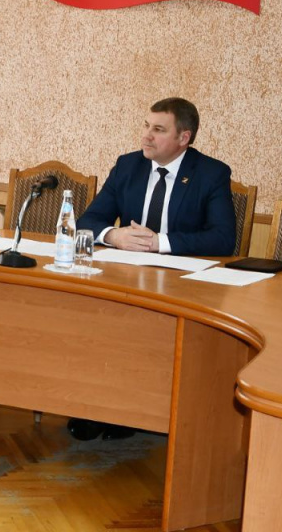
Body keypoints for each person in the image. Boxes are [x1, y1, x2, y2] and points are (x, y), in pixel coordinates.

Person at [68, 97, 235, 441]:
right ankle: (96, 406)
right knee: (93, 319)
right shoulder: (128, 165)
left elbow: (223, 239)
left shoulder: (211, 174)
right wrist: (114, 235)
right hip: (124, 276)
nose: (146, 135)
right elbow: (87, 220)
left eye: (158, 129)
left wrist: (160, 242)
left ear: (184, 138)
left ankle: (138, 412)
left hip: (183, 285)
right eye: (146, 126)